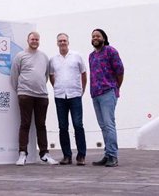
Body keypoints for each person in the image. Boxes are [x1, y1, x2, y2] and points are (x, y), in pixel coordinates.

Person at [10, 31, 58, 166]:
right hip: (25, 95)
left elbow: (46, 76)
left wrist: (40, 87)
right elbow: (14, 76)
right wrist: (20, 90)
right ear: (28, 40)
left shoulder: (44, 57)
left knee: (41, 125)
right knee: (25, 124)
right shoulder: (20, 56)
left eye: (37, 39)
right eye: (32, 39)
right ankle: (22, 154)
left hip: (42, 96)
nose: (35, 41)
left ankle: (44, 154)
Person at [49, 33, 87, 165]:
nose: (62, 42)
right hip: (60, 96)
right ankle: (67, 156)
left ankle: (81, 156)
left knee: (78, 125)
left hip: (75, 95)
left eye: (64, 40)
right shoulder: (53, 60)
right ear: (57, 43)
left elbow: (83, 74)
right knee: (63, 127)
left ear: (68, 42)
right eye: (60, 41)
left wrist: (81, 90)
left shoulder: (77, 56)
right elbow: (51, 76)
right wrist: (57, 87)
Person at [89, 28, 124, 168]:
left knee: (109, 125)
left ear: (104, 38)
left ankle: (113, 156)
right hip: (95, 94)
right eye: (93, 36)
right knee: (103, 126)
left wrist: (115, 87)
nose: (95, 38)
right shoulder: (91, 56)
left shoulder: (110, 51)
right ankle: (107, 154)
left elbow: (120, 71)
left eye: (98, 36)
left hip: (108, 92)